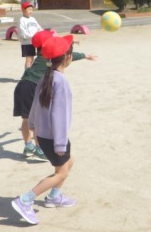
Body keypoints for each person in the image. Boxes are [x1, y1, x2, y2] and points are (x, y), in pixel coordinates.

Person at [12, 35, 78, 225]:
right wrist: (60, 144)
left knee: (69, 161)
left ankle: (54, 196)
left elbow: (35, 105)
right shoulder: (61, 82)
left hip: (43, 134)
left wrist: (32, 124)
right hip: (54, 136)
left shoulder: (46, 77)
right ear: (68, 58)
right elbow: (60, 115)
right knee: (61, 173)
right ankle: (25, 200)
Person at [14, 29, 97, 161]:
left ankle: (28, 146)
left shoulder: (42, 54)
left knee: (26, 119)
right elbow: (66, 54)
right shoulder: (49, 57)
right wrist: (84, 55)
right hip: (33, 86)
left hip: (23, 85)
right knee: (38, 119)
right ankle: (39, 149)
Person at [19, 1, 43, 69]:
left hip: (34, 42)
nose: (31, 11)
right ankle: (27, 73)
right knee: (29, 59)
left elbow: (39, 28)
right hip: (27, 42)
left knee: (32, 59)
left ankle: (29, 72)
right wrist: (33, 35)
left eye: (31, 10)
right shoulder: (22, 20)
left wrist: (44, 32)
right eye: (29, 9)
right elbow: (23, 33)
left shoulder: (33, 19)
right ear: (23, 10)